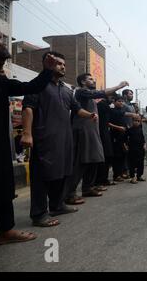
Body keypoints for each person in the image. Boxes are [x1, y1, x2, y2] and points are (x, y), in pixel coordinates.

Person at [0, 24, 60, 267]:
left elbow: (29, 87)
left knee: (2, 191)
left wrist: (46, 71)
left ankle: (6, 231)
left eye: (0, 65)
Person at [22, 52, 99, 227]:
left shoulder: (66, 89)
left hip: (65, 138)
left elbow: (77, 109)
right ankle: (39, 214)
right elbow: (28, 108)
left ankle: (57, 205)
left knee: (63, 173)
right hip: (44, 138)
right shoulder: (38, 85)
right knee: (42, 177)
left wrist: (90, 115)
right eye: (58, 63)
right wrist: (27, 133)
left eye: (63, 64)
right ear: (46, 64)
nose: (62, 66)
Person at [63, 74, 129, 205]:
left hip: (93, 131)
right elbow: (100, 93)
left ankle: (88, 187)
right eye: (90, 79)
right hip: (82, 130)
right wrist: (119, 85)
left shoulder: (91, 96)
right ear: (82, 81)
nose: (93, 80)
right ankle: (69, 194)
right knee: (81, 161)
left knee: (94, 159)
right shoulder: (81, 92)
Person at [127, 116, 147, 184]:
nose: (137, 122)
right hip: (132, 149)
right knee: (132, 164)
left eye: (138, 121)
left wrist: (144, 144)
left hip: (140, 149)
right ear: (132, 121)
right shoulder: (129, 130)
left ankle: (139, 176)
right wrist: (125, 146)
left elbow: (143, 138)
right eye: (135, 120)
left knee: (140, 163)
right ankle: (132, 177)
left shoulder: (140, 129)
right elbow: (125, 139)